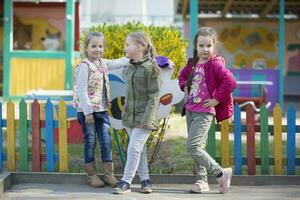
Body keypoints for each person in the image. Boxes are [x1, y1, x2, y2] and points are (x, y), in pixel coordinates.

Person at [178, 27, 236, 194]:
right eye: (201, 45)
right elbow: (182, 77)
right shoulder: (192, 63)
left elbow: (230, 81)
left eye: (208, 46)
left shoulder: (215, 64)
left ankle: (220, 172)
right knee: (199, 148)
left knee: (193, 146)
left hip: (204, 112)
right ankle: (202, 182)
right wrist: (184, 86)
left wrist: (217, 99)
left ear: (214, 46)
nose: (205, 49)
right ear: (196, 45)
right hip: (190, 109)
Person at [73, 32, 128, 188]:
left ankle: (108, 174)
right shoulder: (84, 66)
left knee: (106, 141)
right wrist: (88, 111)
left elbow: (119, 62)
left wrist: (133, 56)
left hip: (102, 110)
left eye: (100, 46)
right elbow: (82, 90)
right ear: (86, 48)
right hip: (88, 112)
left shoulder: (103, 63)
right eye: (93, 46)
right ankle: (91, 175)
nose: (97, 49)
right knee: (90, 141)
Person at [112, 31, 161, 194]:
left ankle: (126, 182)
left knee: (133, 148)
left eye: (127, 45)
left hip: (144, 117)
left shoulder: (150, 68)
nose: (124, 47)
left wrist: (147, 118)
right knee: (139, 149)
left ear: (139, 47)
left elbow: (154, 96)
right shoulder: (129, 66)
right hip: (130, 115)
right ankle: (146, 180)